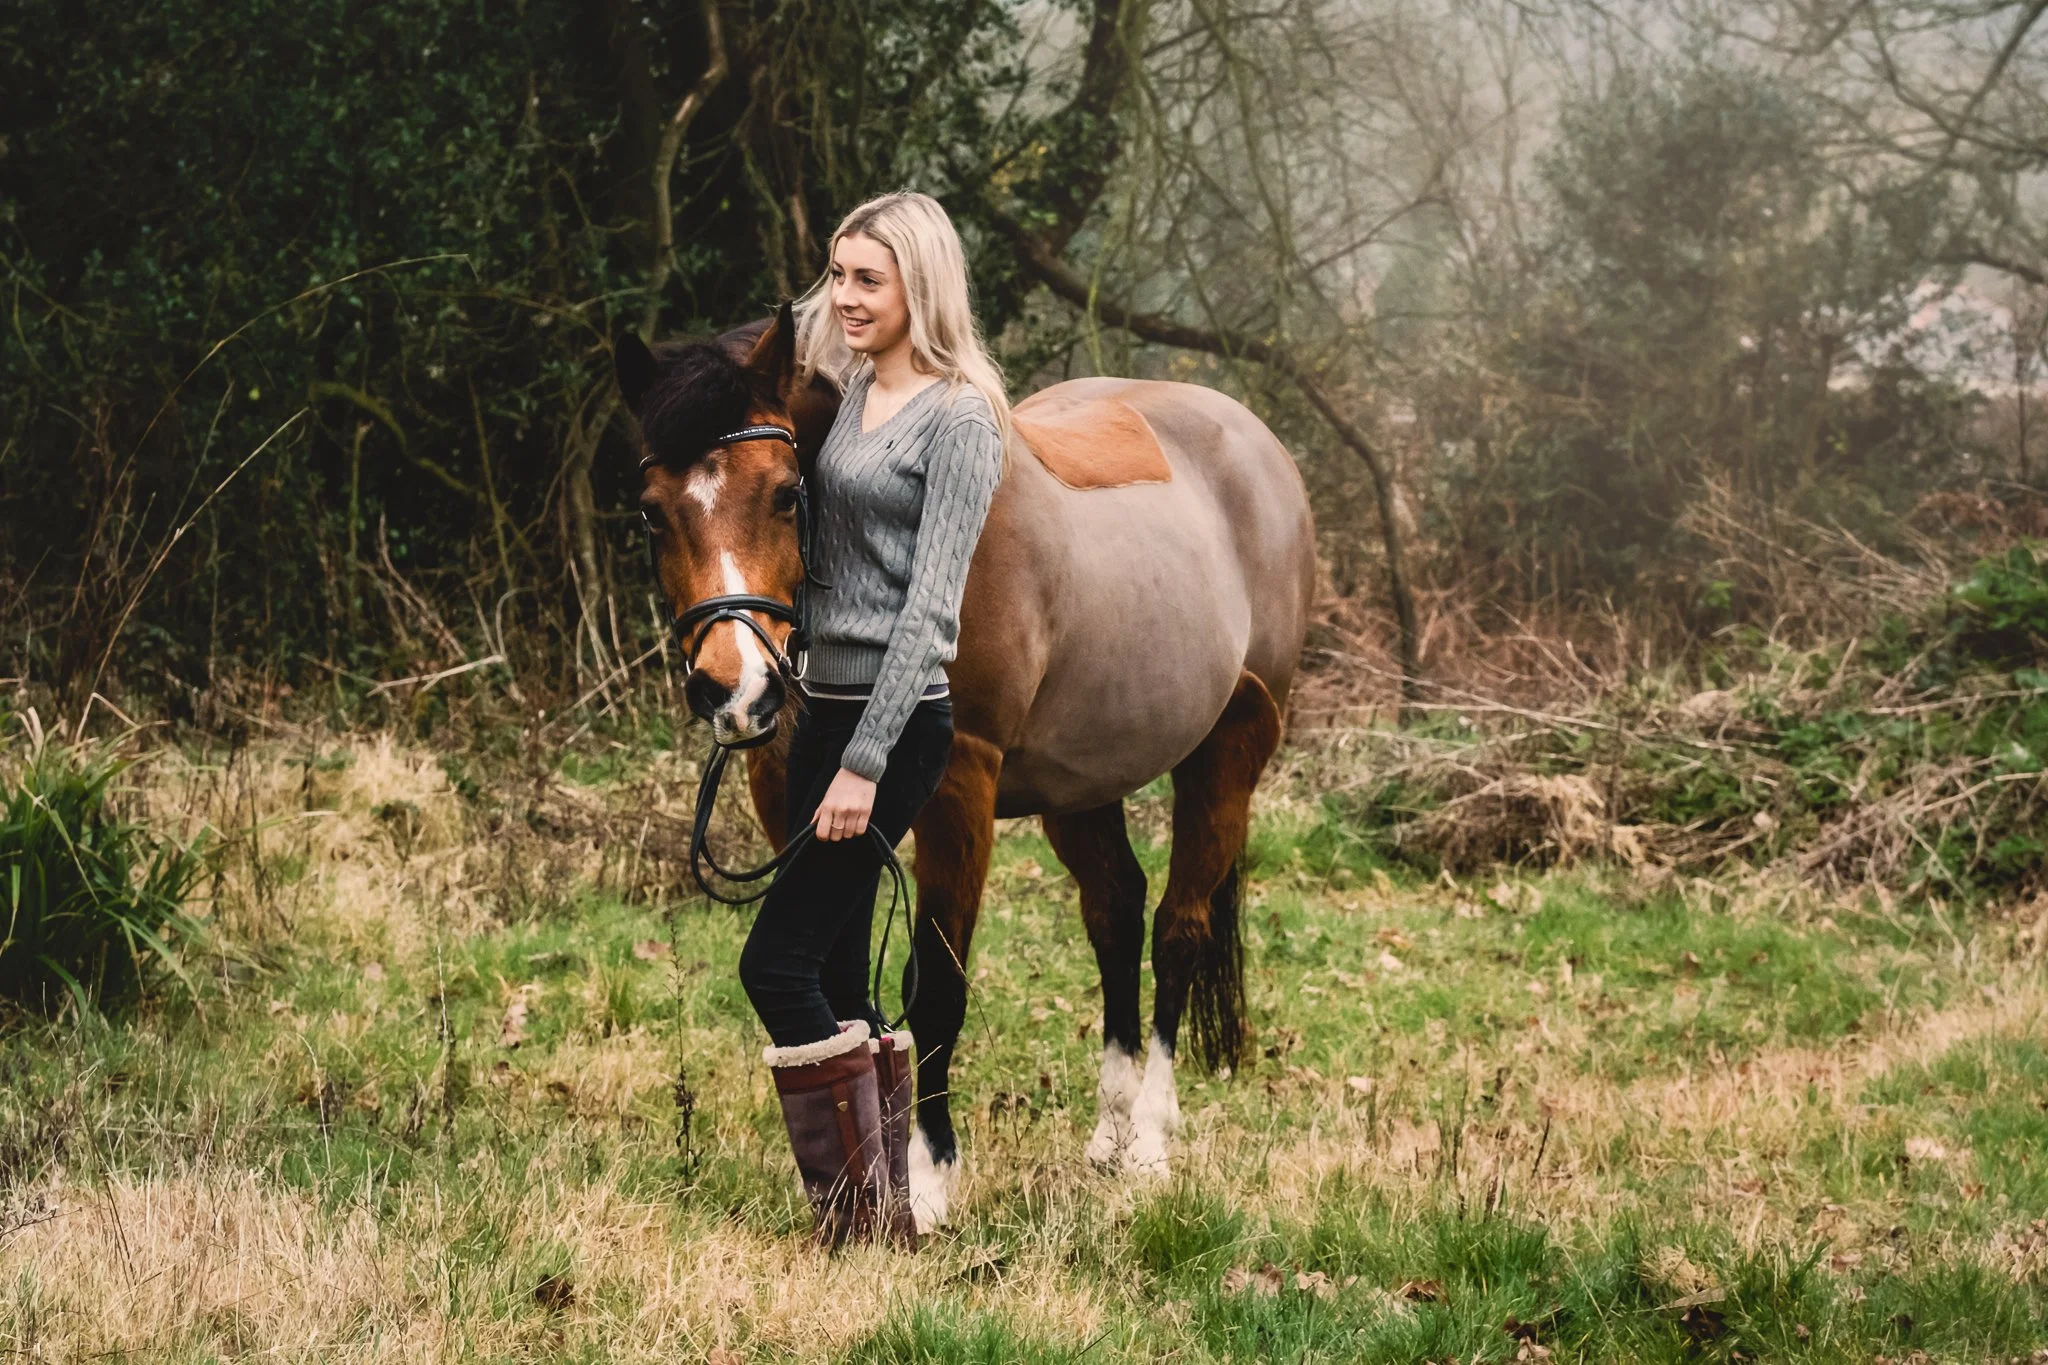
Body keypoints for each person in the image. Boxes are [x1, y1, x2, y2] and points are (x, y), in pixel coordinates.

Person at [736, 190, 1010, 1249]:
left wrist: (862, 763)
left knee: (777, 966)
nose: (841, 298)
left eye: (866, 280)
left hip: (891, 732)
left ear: (919, 288)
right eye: (837, 276)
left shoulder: (960, 418)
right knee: (840, 973)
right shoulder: (850, 398)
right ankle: (884, 1214)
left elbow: (931, 614)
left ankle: (855, 1222)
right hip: (823, 710)